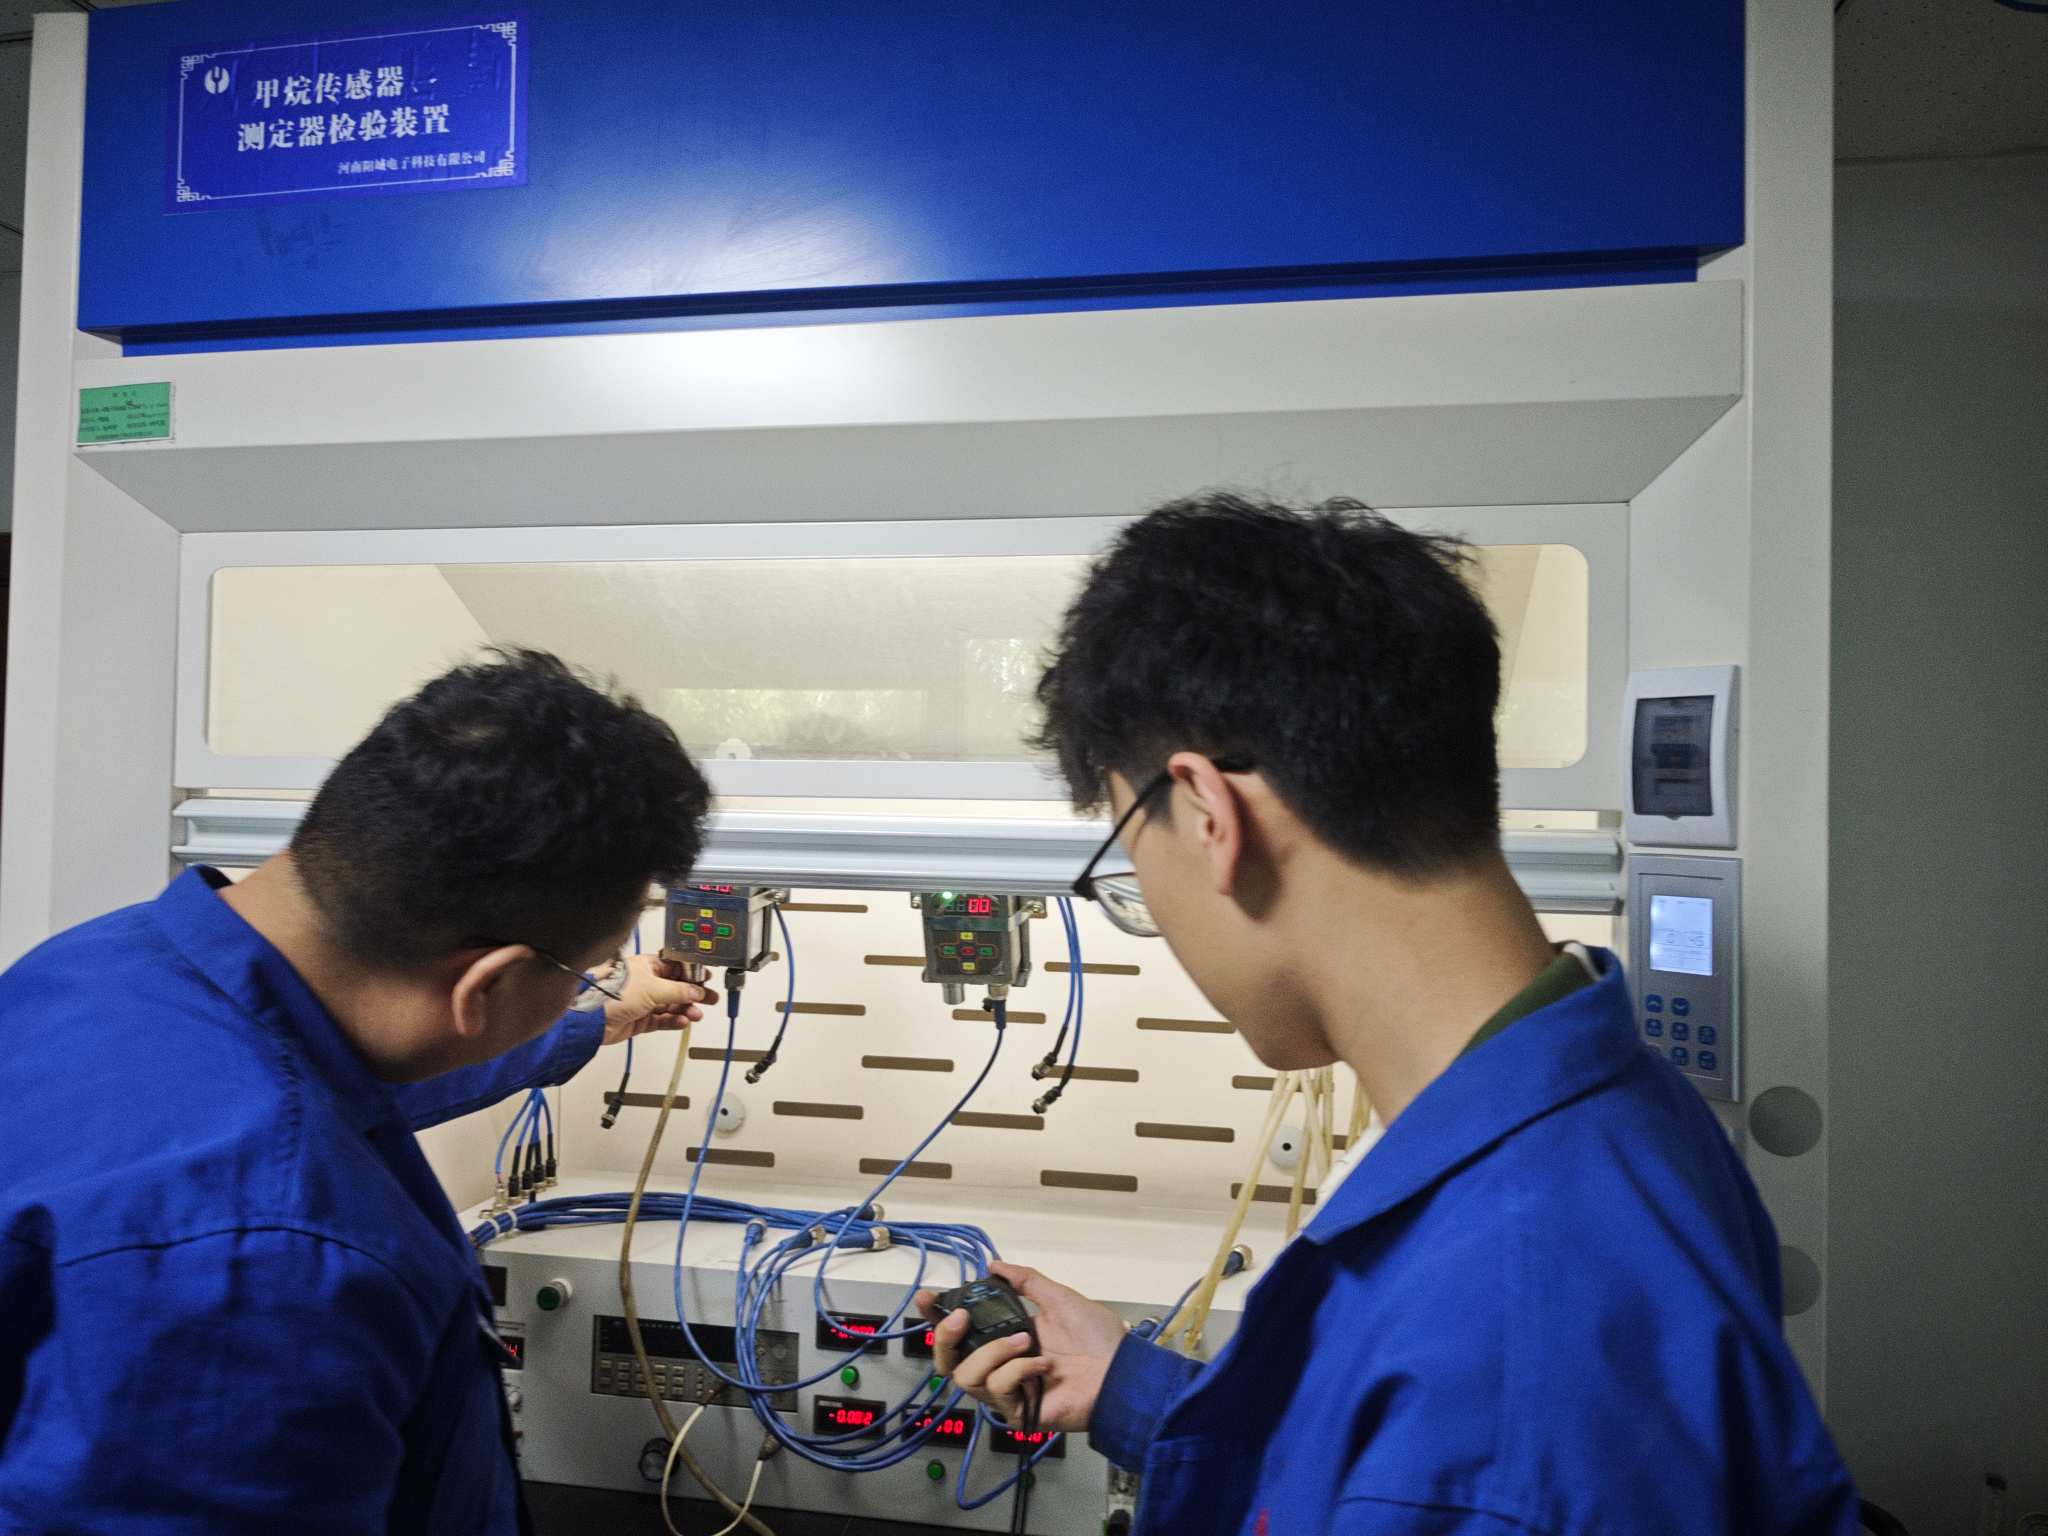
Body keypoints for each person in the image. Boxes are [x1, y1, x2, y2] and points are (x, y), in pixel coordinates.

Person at [918, 494, 1859, 1534]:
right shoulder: (1612, 1109)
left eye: (1131, 867)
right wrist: (1133, 1393)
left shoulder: (1508, 1327)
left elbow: (1469, 1463)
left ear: (1209, 815)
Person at [0, 648, 715, 1534]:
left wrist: (592, 1021)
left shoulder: (100, 969)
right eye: (589, 972)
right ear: (485, 984)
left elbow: (310, 1089)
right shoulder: (274, 1262)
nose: (593, 986)